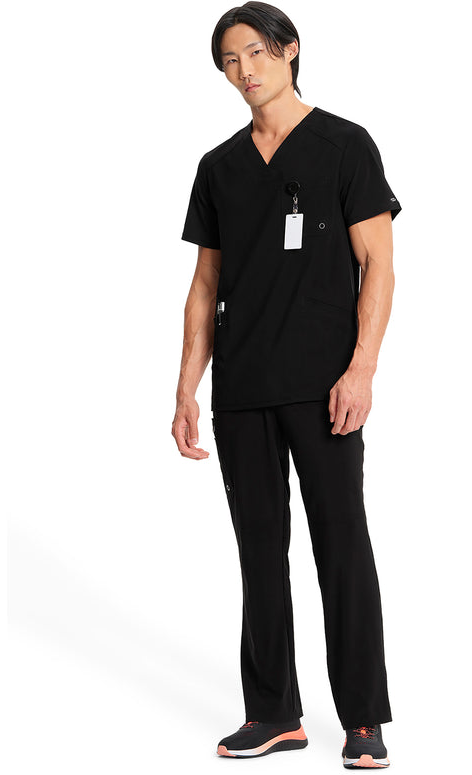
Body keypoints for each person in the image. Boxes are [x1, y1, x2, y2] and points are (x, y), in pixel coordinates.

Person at [172, 2, 401, 768]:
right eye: (229, 60)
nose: (244, 70)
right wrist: (186, 389)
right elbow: (204, 286)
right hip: (242, 389)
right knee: (259, 553)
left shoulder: (343, 145)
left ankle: (363, 719)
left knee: (341, 545)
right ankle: (273, 713)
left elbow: (379, 265)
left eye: (255, 52)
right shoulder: (219, 168)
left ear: (288, 49)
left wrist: (361, 367)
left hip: (324, 385)